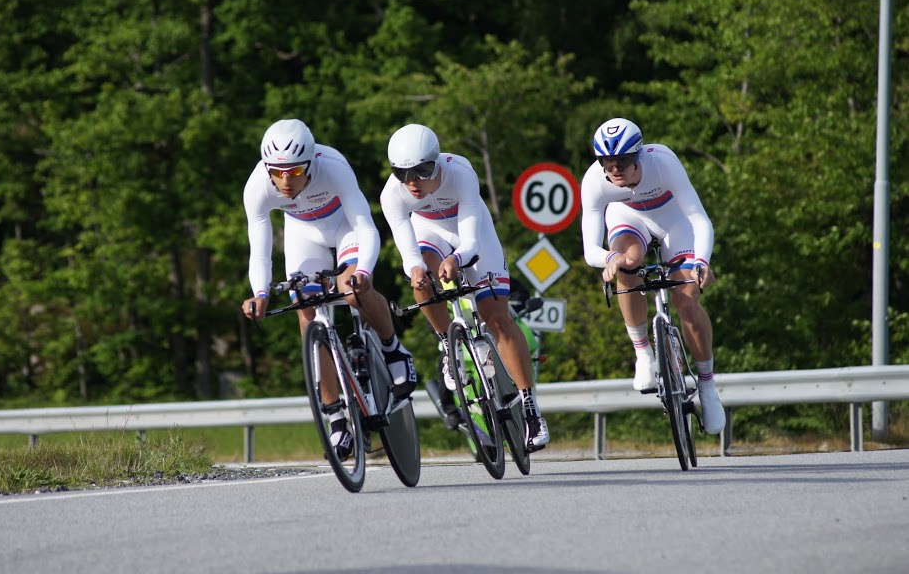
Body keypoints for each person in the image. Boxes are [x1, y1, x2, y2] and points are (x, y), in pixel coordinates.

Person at [241, 118, 416, 459]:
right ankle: (335, 417)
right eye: (277, 172)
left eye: (294, 171)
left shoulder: (333, 165)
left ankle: (393, 349)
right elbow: (259, 251)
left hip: (345, 226)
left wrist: (362, 271)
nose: (285, 181)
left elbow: (366, 228)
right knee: (304, 307)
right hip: (303, 233)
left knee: (352, 290)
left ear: (310, 163)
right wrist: (260, 293)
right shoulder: (257, 186)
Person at [380, 123, 549, 451]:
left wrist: (456, 259)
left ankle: (531, 410)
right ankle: (448, 344)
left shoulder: (460, 172)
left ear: (436, 163)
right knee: (422, 280)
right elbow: (409, 253)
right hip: (429, 232)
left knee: (497, 319)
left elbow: (471, 243)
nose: (412, 182)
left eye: (422, 171)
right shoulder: (392, 194)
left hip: (472, 233)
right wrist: (417, 271)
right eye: (403, 174)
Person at [579, 117, 725, 435]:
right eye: (606, 162)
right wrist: (611, 258)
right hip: (627, 217)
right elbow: (590, 248)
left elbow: (699, 220)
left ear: (639, 156)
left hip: (673, 219)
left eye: (622, 161)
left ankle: (707, 385)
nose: (614, 168)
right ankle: (642, 352)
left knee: (687, 302)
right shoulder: (594, 181)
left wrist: (701, 262)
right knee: (628, 263)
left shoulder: (663, 163)